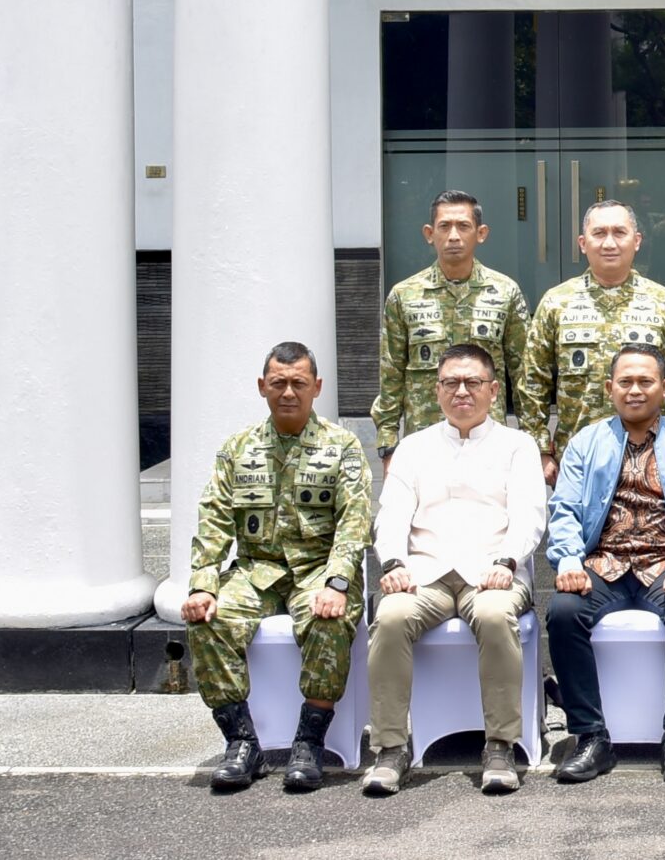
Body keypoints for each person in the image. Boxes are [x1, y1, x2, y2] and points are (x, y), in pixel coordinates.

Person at [180, 341, 371, 792]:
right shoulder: (238, 449)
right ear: (262, 386)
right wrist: (203, 584)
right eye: (279, 383)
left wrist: (338, 583)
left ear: (316, 387)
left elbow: (354, 522)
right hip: (256, 571)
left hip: (318, 571)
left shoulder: (341, 446)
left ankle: (309, 741)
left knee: (329, 619)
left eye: (299, 383)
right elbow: (213, 518)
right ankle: (242, 743)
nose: (288, 392)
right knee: (207, 620)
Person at [364, 341, 547, 797]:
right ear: (437, 390)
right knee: (388, 617)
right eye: (450, 382)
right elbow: (391, 513)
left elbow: (530, 514)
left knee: (491, 614)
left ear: (492, 391)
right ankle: (390, 748)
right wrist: (392, 563)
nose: (461, 391)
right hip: (425, 571)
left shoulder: (518, 446)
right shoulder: (413, 447)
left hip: (493, 571)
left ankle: (501, 745)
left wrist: (508, 560)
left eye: (472, 382)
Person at [547, 343, 665, 786]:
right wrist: (568, 558)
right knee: (563, 612)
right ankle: (590, 736)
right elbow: (563, 509)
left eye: (646, 382)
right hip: (603, 564)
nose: (635, 390)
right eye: (625, 382)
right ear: (609, 388)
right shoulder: (585, 443)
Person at [522, 199, 665, 480]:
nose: (609, 243)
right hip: (578, 460)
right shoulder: (556, 303)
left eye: (619, 233)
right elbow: (533, 382)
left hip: (652, 461)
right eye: (599, 233)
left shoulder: (664, 302)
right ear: (583, 243)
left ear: (637, 241)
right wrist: (541, 449)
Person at [373, 189, 527, 454]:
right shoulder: (404, 295)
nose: (454, 235)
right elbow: (391, 374)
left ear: (481, 233)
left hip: (489, 440)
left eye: (463, 226)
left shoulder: (505, 292)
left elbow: (524, 372)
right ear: (429, 234)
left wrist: (532, 437)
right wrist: (387, 443)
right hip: (424, 439)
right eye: (444, 226)